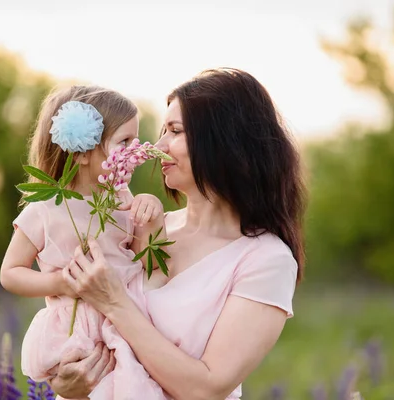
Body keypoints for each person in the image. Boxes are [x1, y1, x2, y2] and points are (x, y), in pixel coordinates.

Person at [51, 68, 306, 400]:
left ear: (224, 140)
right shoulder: (135, 224)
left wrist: (114, 301)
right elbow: (83, 329)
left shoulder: (266, 259)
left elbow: (207, 388)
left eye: (175, 131)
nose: (158, 146)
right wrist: (65, 379)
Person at [0, 85, 169, 398]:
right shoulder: (45, 208)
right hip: (76, 333)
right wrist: (62, 283)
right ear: (81, 151)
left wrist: (152, 216)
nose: (136, 151)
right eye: (125, 142)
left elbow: (151, 267)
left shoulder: (121, 199)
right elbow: (10, 273)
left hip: (127, 322)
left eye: (136, 140)